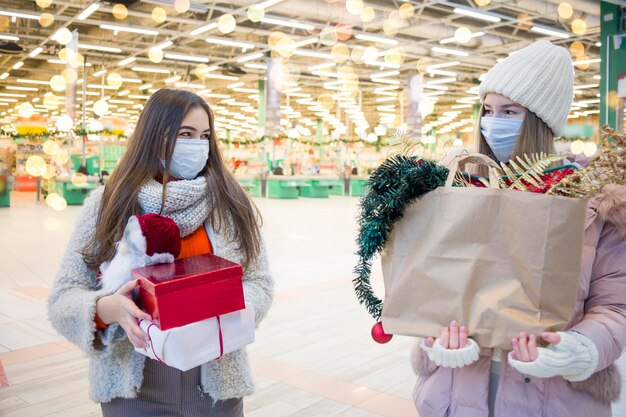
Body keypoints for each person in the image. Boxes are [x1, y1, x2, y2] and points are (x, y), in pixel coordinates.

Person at [411, 40, 626, 416]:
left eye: (510, 111)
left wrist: (574, 348)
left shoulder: (592, 204)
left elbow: (614, 307)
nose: (493, 123)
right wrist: (434, 340)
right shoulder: (462, 190)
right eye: (488, 110)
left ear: (541, 122)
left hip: (550, 398)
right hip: (456, 394)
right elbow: (435, 285)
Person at [47, 89, 274, 417]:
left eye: (205, 136)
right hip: (135, 391)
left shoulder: (230, 203)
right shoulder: (109, 204)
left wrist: (222, 306)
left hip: (215, 388)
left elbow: (260, 283)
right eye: (185, 134)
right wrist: (108, 309)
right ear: (154, 137)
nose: (198, 145)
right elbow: (63, 298)